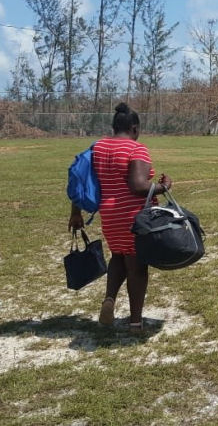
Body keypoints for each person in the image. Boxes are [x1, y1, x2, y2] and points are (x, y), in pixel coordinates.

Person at [68, 102, 172, 333]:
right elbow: (138, 186)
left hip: (109, 215)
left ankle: (109, 299)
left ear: (114, 126)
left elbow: (81, 178)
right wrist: (162, 187)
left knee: (118, 256)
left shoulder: (98, 148)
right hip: (133, 216)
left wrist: (75, 212)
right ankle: (136, 322)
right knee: (137, 266)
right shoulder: (136, 149)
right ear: (134, 128)